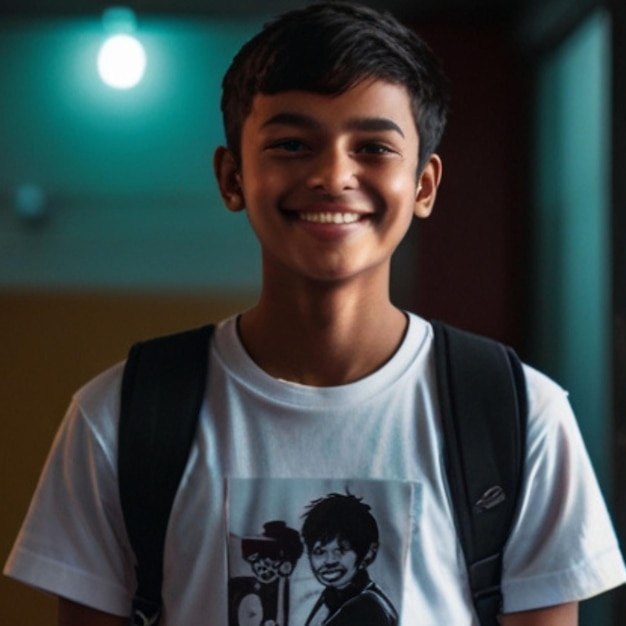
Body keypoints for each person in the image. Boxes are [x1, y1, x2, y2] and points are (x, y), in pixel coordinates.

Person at [4, 2, 626, 625]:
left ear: (424, 185)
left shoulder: (520, 417)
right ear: (232, 177)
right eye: (292, 144)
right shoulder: (119, 418)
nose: (333, 175)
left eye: (374, 146)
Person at [301, 493, 397, 626]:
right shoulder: (331, 597)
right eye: (320, 552)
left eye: (341, 550)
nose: (329, 561)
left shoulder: (368, 610)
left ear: (368, 553)